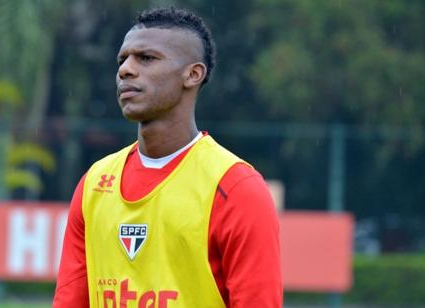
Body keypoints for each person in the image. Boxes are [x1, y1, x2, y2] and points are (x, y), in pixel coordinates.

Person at [53, 7, 282, 308]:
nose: (125, 70)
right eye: (122, 60)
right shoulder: (94, 184)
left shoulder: (235, 188)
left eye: (146, 58)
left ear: (192, 74)